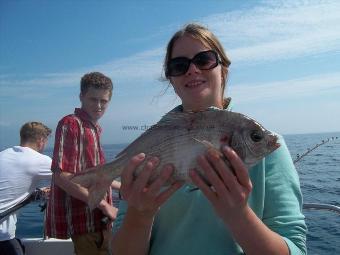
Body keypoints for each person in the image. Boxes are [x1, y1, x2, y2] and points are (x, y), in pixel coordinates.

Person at [112, 23, 307, 255]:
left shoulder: (270, 150)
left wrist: (238, 215)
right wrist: (139, 215)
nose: (192, 70)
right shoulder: (150, 147)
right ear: (172, 82)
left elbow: (296, 249)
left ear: (223, 71)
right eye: (179, 66)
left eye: (204, 60)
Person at [45, 72, 120, 255]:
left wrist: (123, 187)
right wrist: (104, 205)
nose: (99, 106)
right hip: (85, 221)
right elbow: (61, 176)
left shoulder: (94, 129)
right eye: (93, 100)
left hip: (100, 221)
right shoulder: (71, 124)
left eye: (104, 101)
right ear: (81, 97)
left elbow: (96, 175)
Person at [0, 121, 52, 255]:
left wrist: (38, 193)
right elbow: (74, 178)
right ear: (41, 140)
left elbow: (8, 188)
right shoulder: (39, 159)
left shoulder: (4, 154)